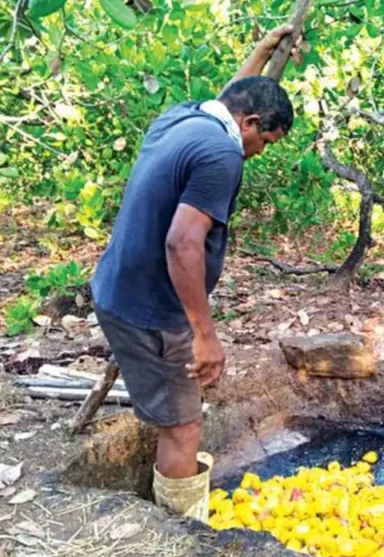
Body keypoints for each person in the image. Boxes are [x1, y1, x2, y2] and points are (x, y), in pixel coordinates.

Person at [88, 26, 299, 520]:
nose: (261, 151)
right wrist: (205, 334)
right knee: (183, 427)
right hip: (150, 310)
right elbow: (182, 242)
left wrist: (263, 53)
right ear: (249, 124)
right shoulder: (223, 154)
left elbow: (225, 99)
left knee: (180, 412)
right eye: (264, 140)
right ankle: (183, 538)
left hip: (118, 287)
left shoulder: (181, 119)